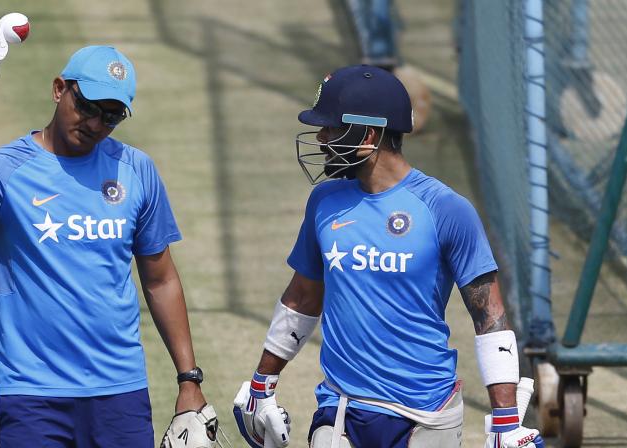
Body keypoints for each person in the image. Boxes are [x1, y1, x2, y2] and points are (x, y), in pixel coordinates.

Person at [0, 45, 218, 448]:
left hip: (120, 392)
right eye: (88, 106)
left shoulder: (137, 170)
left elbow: (161, 280)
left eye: (111, 117)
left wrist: (188, 379)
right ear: (60, 89)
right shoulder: (0, 171)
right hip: (31, 394)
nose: (95, 123)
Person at [232, 65, 544, 448]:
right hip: (342, 409)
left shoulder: (446, 209)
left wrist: (505, 421)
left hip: (427, 417)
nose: (321, 137)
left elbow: (490, 318)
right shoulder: (324, 203)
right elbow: (302, 296)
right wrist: (262, 383)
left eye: (331, 128)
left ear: (368, 135)